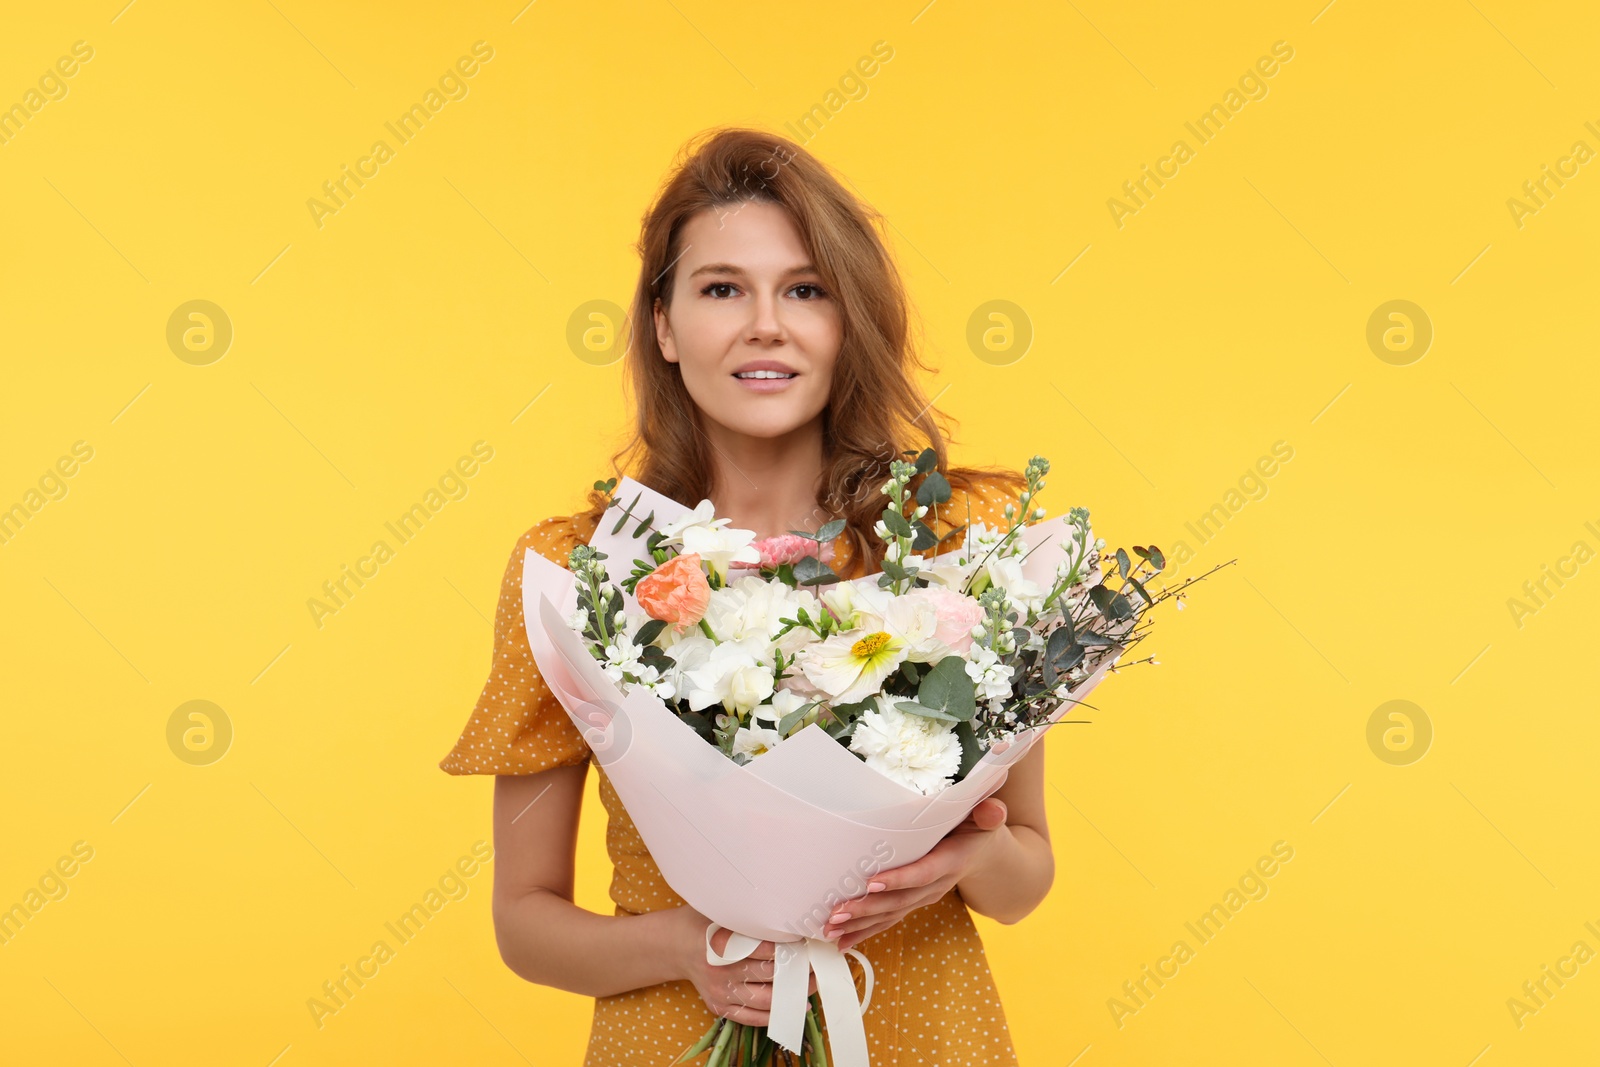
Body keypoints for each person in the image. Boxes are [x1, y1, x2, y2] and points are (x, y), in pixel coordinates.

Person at [439, 127, 1054, 1065]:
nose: (765, 324)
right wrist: (689, 949)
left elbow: (1025, 880)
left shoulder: (955, 550)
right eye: (722, 288)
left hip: (921, 1032)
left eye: (805, 290)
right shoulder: (578, 573)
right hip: (670, 1035)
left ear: (848, 321)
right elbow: (524, 924)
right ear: (664, 324)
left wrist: (970, 856)